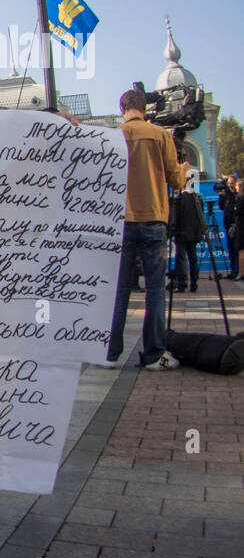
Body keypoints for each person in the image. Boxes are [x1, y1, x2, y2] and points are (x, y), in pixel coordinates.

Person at [103, 90, 190, 370]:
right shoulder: (160, 135)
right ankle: (153, 355)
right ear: (145, 108)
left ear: (122, 107)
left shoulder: (112, 138)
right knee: (155, 289)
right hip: (153, 218)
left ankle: (110, 353)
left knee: (119, 291)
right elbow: (176, 181)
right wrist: (184, 170)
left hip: (121, 221)